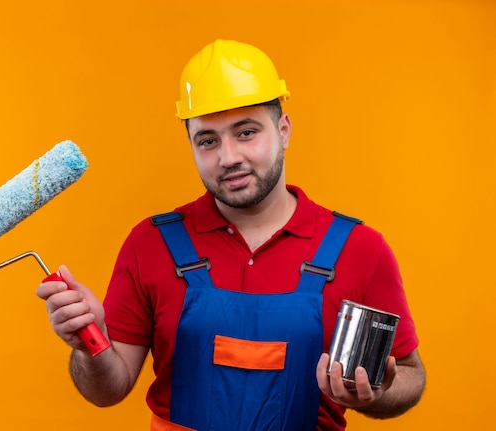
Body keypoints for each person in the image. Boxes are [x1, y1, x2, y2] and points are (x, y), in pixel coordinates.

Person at [36, 39, 425, 430]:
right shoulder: (150, 244)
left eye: (246, 132)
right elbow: (108, 390)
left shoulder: (359, 249)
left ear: (284, 130)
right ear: (190, 144)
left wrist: (375, 391)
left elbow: (410, 374)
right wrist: (89, 340)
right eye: (208, 141)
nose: (228, 158)